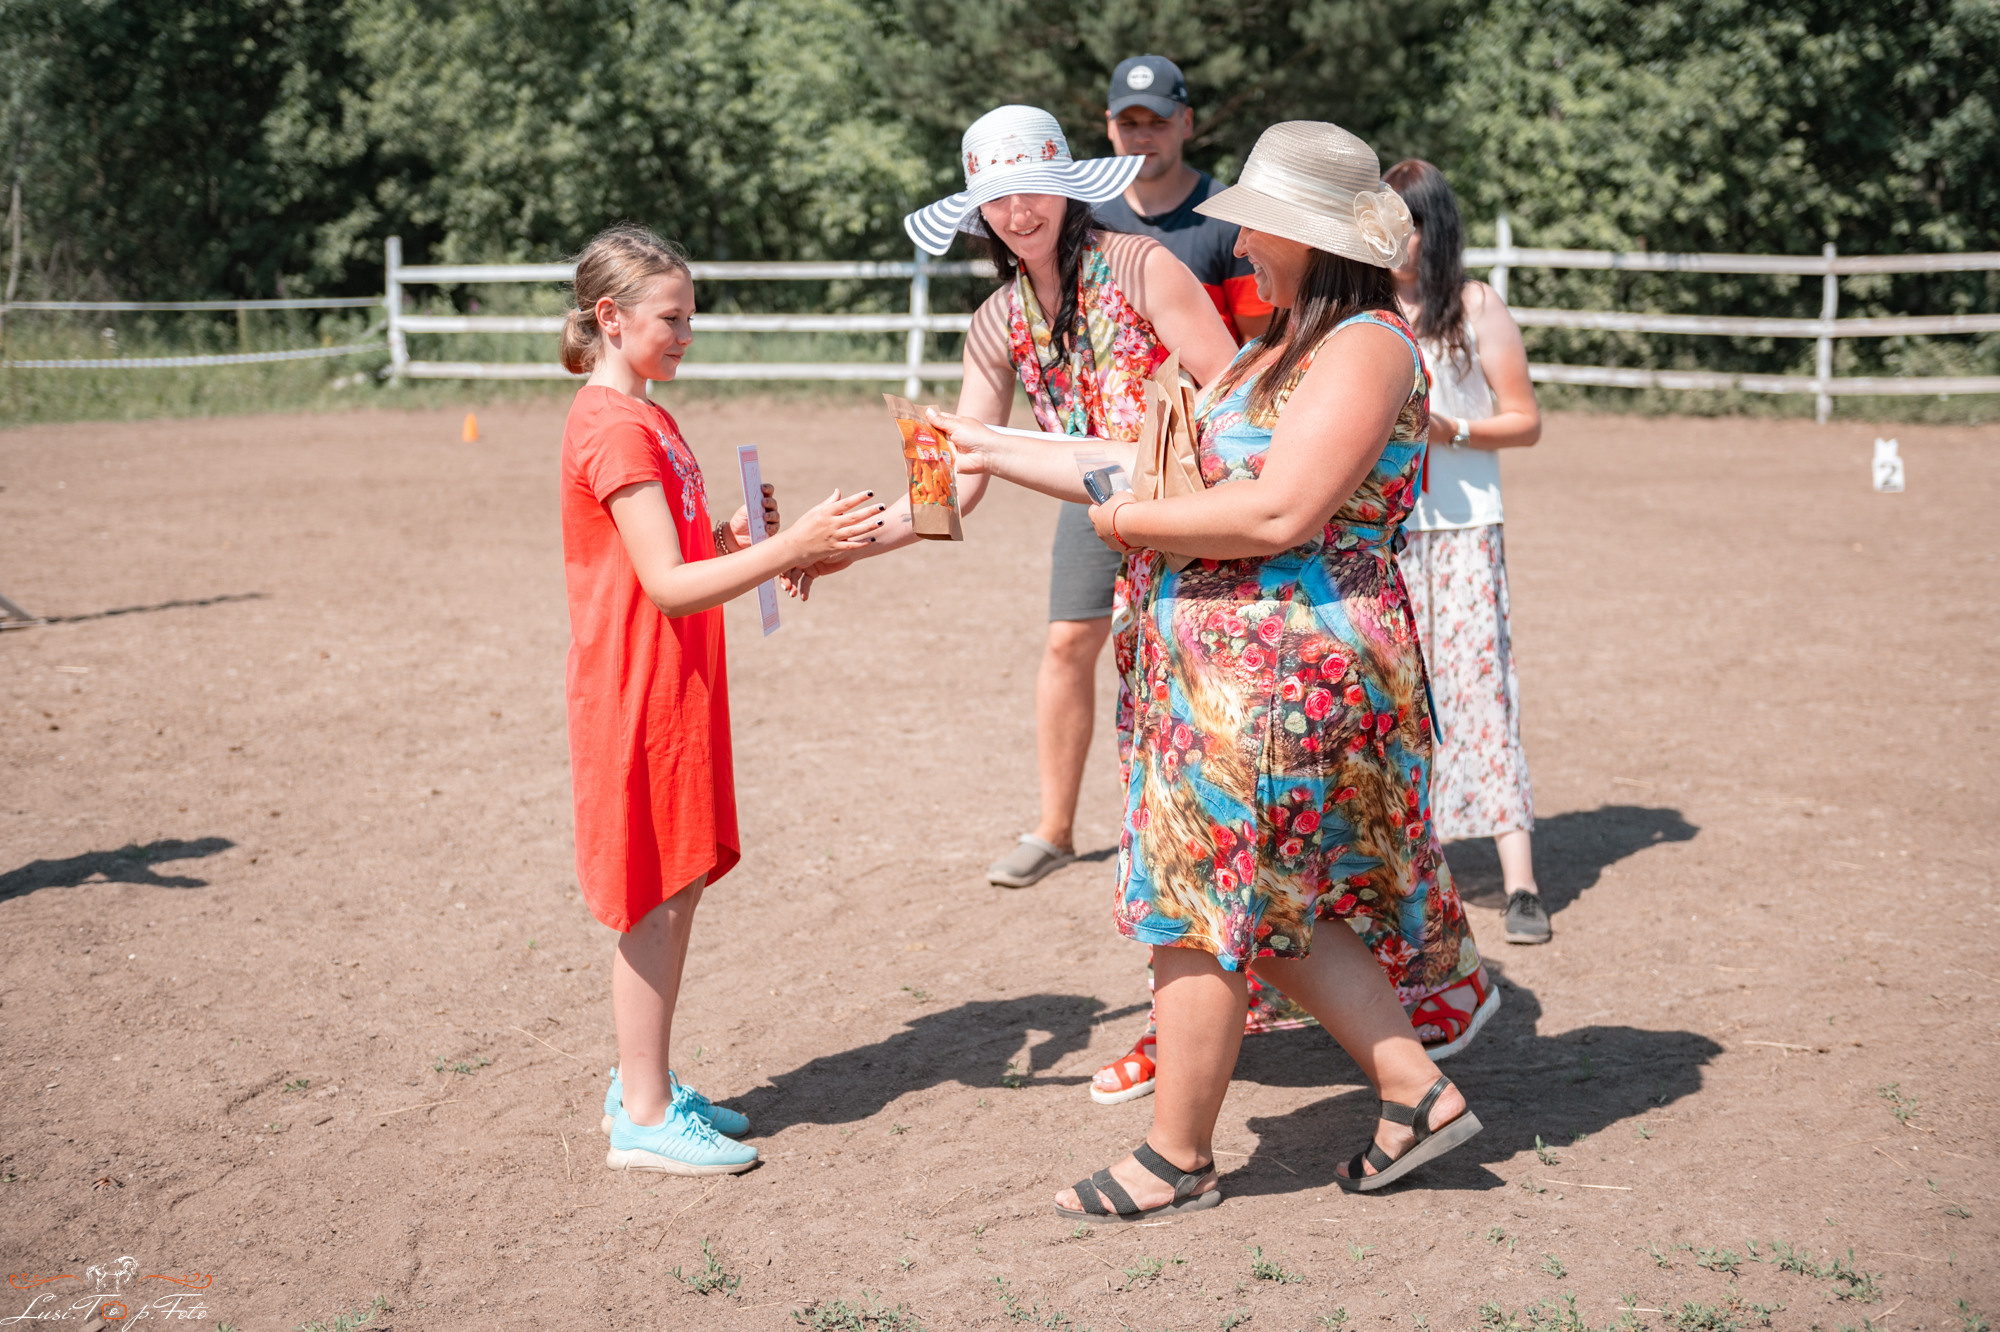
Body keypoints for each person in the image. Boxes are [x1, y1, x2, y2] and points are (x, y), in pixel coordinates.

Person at [929, 120, 1488, 1216]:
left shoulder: (1364, 346)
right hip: (1234, 675)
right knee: (1267, 904)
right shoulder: (1278, 348)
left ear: (1309, 238)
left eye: (1256, 229)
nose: (1239, 246)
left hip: (1282, 675)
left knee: (1199, 903)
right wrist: (993, 449)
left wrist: (1127, 523)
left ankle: (1175, 1156)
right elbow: (1153, 459)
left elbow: (1279, 511)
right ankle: (1414, 1092)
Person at [558, 223, 883, 1175]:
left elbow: (674, 559)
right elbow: (665, 587)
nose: (686, 334)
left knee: (678, 882)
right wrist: (792, 547)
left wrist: (739, 541)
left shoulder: (648, 416)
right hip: (640, 685)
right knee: (655, 895)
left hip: (675, 679)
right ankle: (643, 1117)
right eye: (671, 318)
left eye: (690, 317)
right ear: (610, 317)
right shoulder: (616, 427)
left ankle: (641, 1082)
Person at [897, 104, 1239, 902]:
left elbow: (1231, 398)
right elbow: (957, 476)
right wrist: (849, 536)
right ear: (979, 213)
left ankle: (1215, 844)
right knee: (1066, 645)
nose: (1020, 212)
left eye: (1037, 190)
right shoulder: (996, 320)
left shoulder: (1140, 265)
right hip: (1089, 499)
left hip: (1189, 500)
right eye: (1000, 199)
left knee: (1192, 673)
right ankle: (1055, 827)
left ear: (1069, 190)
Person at [1383, 160, 1550, 945]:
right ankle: (1413, 871)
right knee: (1398, 699)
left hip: (1462, 528)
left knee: (1481, 690)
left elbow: (1525, 420)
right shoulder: (1364, 306)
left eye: (1408, 223)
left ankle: (1521, 883)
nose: (1394, 237)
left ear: (1435, 227)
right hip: (1385, 528)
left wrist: (1454, 431)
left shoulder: (1475, 305)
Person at [1094, 55, 1274, 343]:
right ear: (1110, 126)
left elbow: (1261, 346)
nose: (1143, 136)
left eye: (1158, 122)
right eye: (1128, 123)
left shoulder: (1230, 220)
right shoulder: (1088, 218)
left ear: (1186, 121)